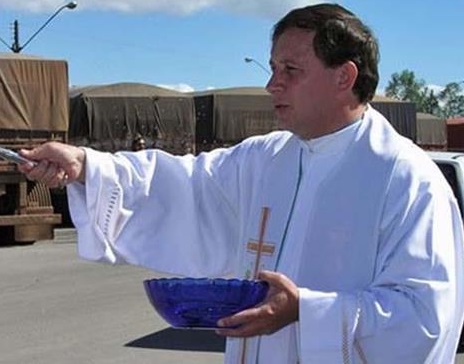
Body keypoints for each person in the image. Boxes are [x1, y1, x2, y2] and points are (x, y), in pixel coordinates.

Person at [18, 4, 464, 363]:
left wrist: (306, 313)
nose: (272, 84)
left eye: (291, 70)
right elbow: (184, 184)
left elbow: (425, 317)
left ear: (344, 77)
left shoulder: (405, 179)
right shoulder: (266, 158)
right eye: (272, 68)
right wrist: (85, 165)